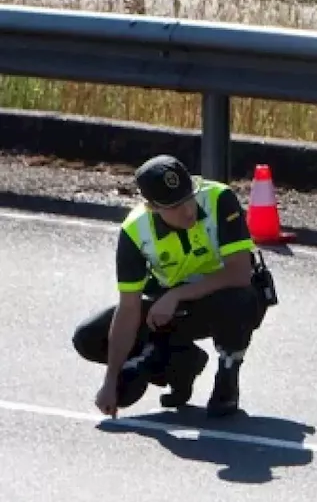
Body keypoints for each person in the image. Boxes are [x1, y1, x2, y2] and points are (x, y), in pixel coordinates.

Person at [71, 154, 275, 419]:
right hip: (169, 312)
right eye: (174, 206)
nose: (188, 210)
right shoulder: (135, 231)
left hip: (222, 299)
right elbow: (129, 308)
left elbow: (239, 273)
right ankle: (180, 362)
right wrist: (109, 381)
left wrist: (178, 295)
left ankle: (228, 373)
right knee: (88, 338)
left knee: (239, 299)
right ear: (152, 206)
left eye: (188, 197)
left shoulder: (219, 199)